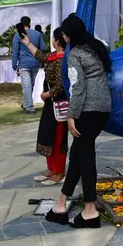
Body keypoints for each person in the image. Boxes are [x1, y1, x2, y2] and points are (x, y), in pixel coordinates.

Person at [46, 14, 111, 228]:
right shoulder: (96, 48)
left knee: (86, 157)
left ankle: (90, 210)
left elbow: (78, 87)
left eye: (63, 33)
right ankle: (61, 203)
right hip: (103, 109)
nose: (62, 36)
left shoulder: (74, 54)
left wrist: (71, 116)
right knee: (78, 154)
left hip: (87, 109)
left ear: (68, 35)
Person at [21, 28, 68, 185]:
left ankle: (59, 172)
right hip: (50, 104)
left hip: (59, 103)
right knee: (48, 135)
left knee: (58, 138)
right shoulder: (53, 57)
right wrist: (27, 43)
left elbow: (61, 85)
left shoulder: (63, 60)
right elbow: (40, 55)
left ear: (56, 41)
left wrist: (47, 94)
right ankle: (51, 169)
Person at [12, 16, 45, 113]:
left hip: (24, 63)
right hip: (35, 62)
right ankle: (26, 103)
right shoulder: (37, 34)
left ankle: (30, 108)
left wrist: (14, 65)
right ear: (30, 23)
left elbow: (15, 52)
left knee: (26, 86)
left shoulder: (18, 35)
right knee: (31, 85)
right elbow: (42, 48)